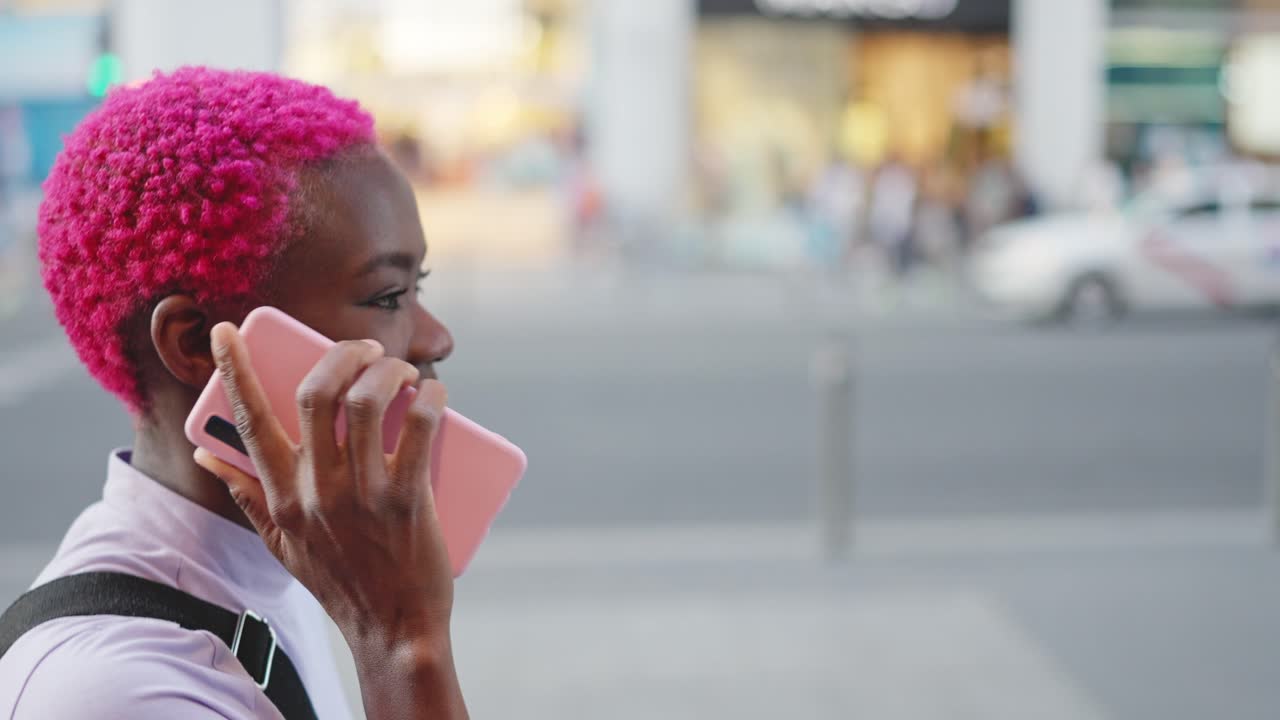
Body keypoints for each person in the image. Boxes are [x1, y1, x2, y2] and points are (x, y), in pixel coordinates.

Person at [0, 67, 468, 719]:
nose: (436, 337)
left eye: (419, 286)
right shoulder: (110, 693)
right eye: (388, 296)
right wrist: (402, 641)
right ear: (197, 345)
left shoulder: (293, 554)